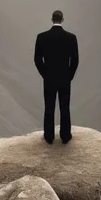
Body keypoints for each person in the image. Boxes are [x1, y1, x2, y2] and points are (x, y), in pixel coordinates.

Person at [34, 10, 79, 144]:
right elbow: (75, 60)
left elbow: (37, 59)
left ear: (52, 19)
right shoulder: (71, 37)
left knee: (49, 107)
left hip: (49, 78)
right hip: (64, 77)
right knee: (64, 107)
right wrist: (69, 75)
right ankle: (65, 136)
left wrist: (45, 74)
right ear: (62, 19)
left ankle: (49, 136)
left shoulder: (42, 37)